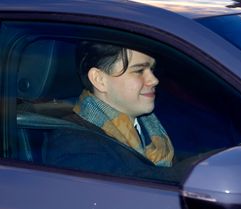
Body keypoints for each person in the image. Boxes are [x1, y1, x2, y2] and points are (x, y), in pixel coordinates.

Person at [45, 41, 174, 174]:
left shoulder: (149, 125)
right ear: (99, 80)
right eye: (139, 71)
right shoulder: (75, 142)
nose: (154, 80)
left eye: (151, 69)